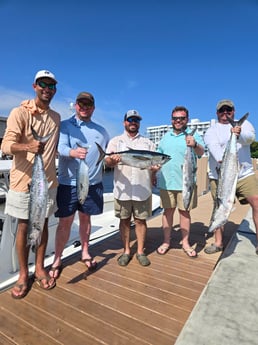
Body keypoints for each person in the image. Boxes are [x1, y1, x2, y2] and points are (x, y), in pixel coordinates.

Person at [1, 69, 60, 298]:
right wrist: (28, 147)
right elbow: (6, 146)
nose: (47, 88)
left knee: (43, 224)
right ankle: (24, 273)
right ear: (35, 86)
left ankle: (41, 267)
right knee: (24, 227)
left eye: (52, 85)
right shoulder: (19, 112)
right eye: (43, 84)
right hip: (23, 182)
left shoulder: (56, 118)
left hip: (48, 182)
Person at [49, 92, 109, 279]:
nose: (84, 107)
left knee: (86, 219)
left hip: (93, 184)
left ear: (93, 107)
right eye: (81, 104)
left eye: (88, 105)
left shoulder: (101, 131)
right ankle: (57, 258)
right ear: (75, 105)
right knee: (65, 222)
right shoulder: (65, 126)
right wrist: (74, 152)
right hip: (69, 183)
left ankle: (85, 251)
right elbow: (60, 148)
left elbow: (106, 154)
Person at [204, 99, 258, 254]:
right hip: (220, 176)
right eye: (222, 110)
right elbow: (217, 152)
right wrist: (227, 155)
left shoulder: (245, 125)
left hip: (244, 173)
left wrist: (238, 134)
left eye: (228, 110)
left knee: (257, 203)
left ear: (234, 111)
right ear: (217, 113)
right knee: (219, 207)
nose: (225, 113)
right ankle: (218, 243)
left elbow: (250, 139)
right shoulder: (211, 130)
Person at [105, 110, 156, 267]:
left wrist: (155, 168)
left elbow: (154, 164)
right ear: (124, 122)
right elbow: (107, 161)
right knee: (124, 221)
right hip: (122, 189)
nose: (133, 122)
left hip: (142, 189)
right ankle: (126, 250)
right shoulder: (116, 141)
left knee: (141, 221)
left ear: (139, 123)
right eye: (130, 119)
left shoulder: (148, 143)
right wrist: (113, 161)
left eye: (136, 120)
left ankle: (140, 251)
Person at [155, 106, 205, 258]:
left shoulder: (194, 136)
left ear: (186, 120)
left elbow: (201, 153)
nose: (178, 121)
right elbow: (159, 158)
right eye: (175, 118)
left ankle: (185, 242)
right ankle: (166, 241)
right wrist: (153, 172)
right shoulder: (165, 137)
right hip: (166, 183)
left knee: (185, 213)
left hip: (186, 183)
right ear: (171, 120)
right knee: (167, 212)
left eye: (181, 118)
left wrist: (194, 144)